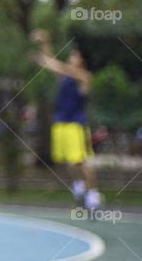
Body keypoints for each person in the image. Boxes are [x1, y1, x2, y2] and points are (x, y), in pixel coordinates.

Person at [30, 29, 100, 212]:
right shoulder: (65, 77)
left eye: (74, 55)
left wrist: (48, 62)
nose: (71, 57)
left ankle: (94, 197)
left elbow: (55, 64)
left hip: (76, 125)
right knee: (69, 162)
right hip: (61, 123)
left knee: (81, 161)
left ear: (82, 61)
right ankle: (79, 188)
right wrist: (45, 42)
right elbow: (52, 61)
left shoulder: (84, 77)